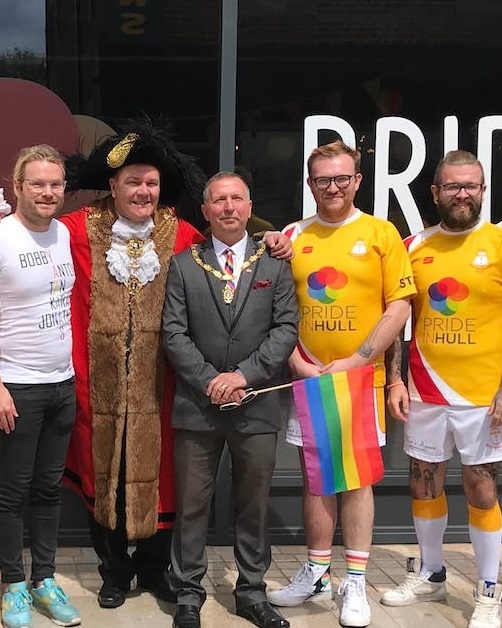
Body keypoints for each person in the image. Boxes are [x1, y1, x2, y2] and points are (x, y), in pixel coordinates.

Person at [60, 125, 294, 608]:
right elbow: (33, 236)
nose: (143, 192)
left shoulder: (182, 234)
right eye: (133, 182)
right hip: (99, 381)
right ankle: (113, 571)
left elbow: (230, 244)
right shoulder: (78, 228)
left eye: (151, 183)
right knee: (105, 473)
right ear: (114, 185)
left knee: (165, 480)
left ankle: (154, 567)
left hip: (165, 383)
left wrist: (270, 237)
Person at [268, 140, 415, 628]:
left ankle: (354, 580)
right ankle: (315, 571)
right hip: (309, 375)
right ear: (310, 184)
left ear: (357, 181)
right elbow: (275, 310)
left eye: (341, 178)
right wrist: (296, 363)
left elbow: (399, 307)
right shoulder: (293, 235)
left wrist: (359, 360)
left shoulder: (381, 233)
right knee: (316, 476)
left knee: (355, 480)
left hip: (361, 381)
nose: (332, 187)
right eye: (322, 179)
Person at [379, 150, 502, 628]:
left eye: (471, 186)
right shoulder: (412, 246)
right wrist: (395, 378)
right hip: (424, 391)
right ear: (436, 192)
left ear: (483, 191)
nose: (463, 194)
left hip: (483, 397)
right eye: (454, 186)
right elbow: (397, 319)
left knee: (481, 489)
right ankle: (431, 572)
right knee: (424, 482)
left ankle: (488, 589)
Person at [161, 172, 297, 628]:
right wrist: (211, 381)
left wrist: (242, 376)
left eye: (237, 198)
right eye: (219, 200)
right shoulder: (184, 264)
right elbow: (173, 333)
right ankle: (188, 593)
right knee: (191, 504)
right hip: (197, 406)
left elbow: (285, 329)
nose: (228, 207)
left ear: (249, 206)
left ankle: (252, 592)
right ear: (206, 210)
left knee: (253, 504)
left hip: (255, 404)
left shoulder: (274, 263)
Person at [0, 144, 80, 628]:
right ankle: (13, 586)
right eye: (37, 184)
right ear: (17, 187)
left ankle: (44, 579)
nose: (47, 192)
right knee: (12, 492)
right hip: (16, 384)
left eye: (55, 184)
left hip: (61, 384)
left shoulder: (63, 234)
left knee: (49, 490)